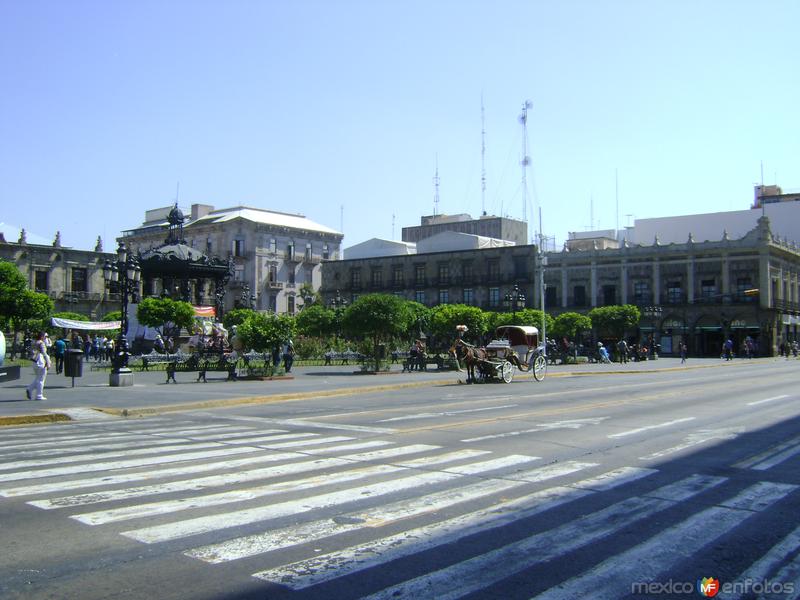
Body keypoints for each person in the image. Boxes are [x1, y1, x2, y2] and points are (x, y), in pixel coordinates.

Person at [26, 331, 51, 400]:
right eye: (45, 337)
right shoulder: (41, 343)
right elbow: (44, 353)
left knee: (38, 378)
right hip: (41, 362)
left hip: (34, 361)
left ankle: (30, 389)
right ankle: (39, 395)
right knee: (41, 379)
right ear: (42, 336)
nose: (46, 338)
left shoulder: (34, 342)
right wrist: (48, 363)